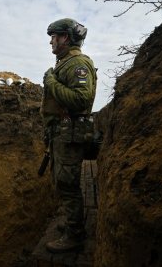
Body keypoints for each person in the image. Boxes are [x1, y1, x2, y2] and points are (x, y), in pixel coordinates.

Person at [41, 18, 97, 253]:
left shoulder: (78, 64)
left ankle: (74, 236)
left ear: (66, 37)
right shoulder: (65, 63)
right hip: (61, 135)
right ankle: (71, 226)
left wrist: (51, 82)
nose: (51, 42)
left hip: (69, 135)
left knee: (68, 186)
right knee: (63, 184)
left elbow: (82, 99)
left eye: (54, 37)